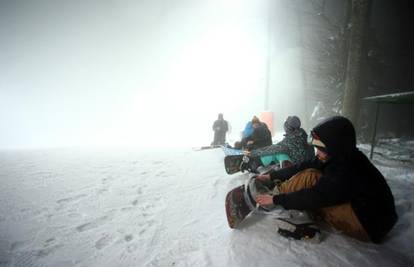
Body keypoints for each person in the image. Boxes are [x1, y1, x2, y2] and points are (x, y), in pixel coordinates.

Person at [254, 116, 397, 243]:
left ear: (335, 145)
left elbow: (317, 195)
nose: (318, 153)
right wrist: (272, 176)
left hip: (367, 226)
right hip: (370, 216)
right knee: (310, 173)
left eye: (321, 149)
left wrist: (276, 200)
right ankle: (278, 192)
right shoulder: (341, 155)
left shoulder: (346, 168)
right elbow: (304, 165)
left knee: (310, 180)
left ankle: (271, 198)